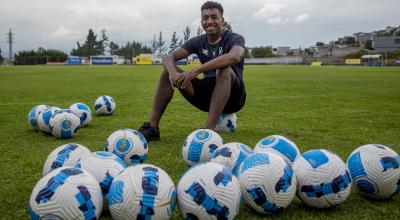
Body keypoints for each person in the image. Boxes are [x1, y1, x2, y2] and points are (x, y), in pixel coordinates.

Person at [139, 1, 246, 141]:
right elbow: (168, 57)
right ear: (201, 21)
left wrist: (196, 71)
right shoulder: (198, 41)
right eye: (205, 18)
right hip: (207, 96)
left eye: (214, 17)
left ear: (222, 20)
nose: (209, 21)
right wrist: (172, 73)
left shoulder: (234, 38)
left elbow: (235, 56)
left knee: (223, 70)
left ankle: (208, 132)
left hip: (233, 97)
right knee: (167, 72)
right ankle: (152, 127)